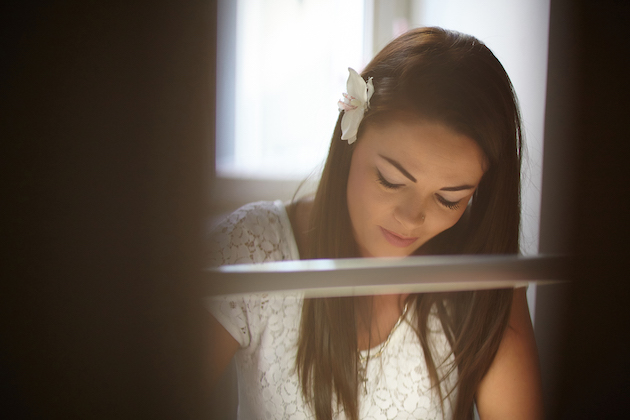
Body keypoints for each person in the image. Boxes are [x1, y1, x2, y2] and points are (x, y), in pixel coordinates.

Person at [208, 27, 542, 420]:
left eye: (449, 199)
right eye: (390, 180)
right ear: (350, 141)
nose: (411, 218)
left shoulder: (484, 278)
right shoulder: (253, 246)